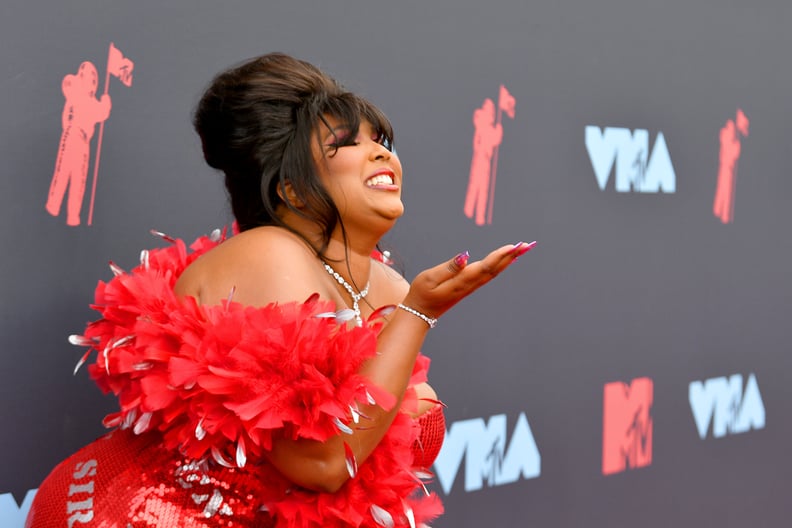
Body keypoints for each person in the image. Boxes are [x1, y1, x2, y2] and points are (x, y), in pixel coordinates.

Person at [26, 52, 535, 528]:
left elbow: (371, 455)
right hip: (132, 513)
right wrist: (418, 314)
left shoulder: (388, 284)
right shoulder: (270, 253)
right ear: (291, 190)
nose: (380, 152)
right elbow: (322, 463)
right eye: (347, 143)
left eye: (380, 139)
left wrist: (412, 310)